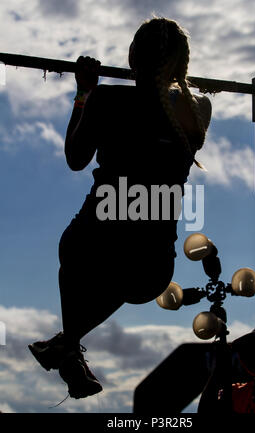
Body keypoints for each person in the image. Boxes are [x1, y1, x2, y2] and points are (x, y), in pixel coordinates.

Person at [28, 16, 212, 400]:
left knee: (73, 249)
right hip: (152, 266)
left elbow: (75, 159)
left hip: (94, 244)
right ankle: (68, 346)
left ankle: (69, 347)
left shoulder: (107, 99)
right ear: (182, 65)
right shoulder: (199, 110)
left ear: (132, 58)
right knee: (126, 275)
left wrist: (84, 94)